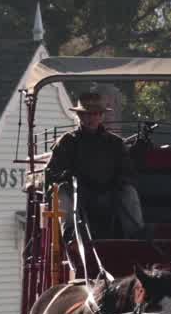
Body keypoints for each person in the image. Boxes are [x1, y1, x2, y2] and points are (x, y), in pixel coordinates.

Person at [46, 92, 145, 239]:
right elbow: (51, 173)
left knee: (129, 191)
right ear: (79, 116)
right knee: (60, 191)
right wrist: (65, 178)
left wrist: (120, 182)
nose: (91, 118)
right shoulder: (66, 142)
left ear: (101, 116)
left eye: (95, 114)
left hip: (110, 194)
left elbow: (128, 172)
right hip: (77, 194)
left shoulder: (115, 143)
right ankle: (69, 234)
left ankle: (136, 234)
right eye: (86, 114)